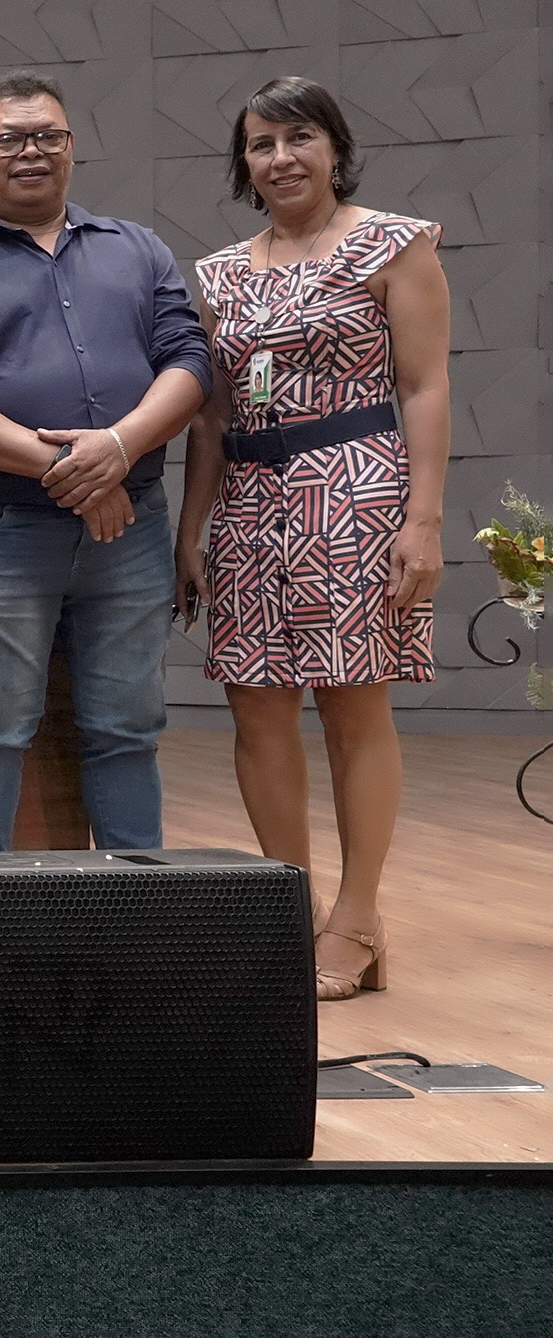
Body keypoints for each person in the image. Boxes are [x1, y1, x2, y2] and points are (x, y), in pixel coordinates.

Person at [175, 76, 449, 1001]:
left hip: (355, 490)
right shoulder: (220, 272)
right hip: (250, 498)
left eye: (299, 137)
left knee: (351, 706)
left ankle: (359, 917)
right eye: (261, 143)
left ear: (335, 148)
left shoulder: (395, 244)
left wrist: (423, 519)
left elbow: (424, 386)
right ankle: (287, 908)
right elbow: (211, 418)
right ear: (244, 163)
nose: (281, 157)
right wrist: (192, 530)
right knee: (256, 707)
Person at [0, 71, 210, 853]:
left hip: (131, 530)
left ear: (71, 147)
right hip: (0, 530)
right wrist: (75, 471)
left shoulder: (138, 249)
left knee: (127, 727)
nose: (31, 151)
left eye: (48, 136)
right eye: (9, 138)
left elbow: (190, 363)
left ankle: (137, 903)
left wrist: (120, 446)